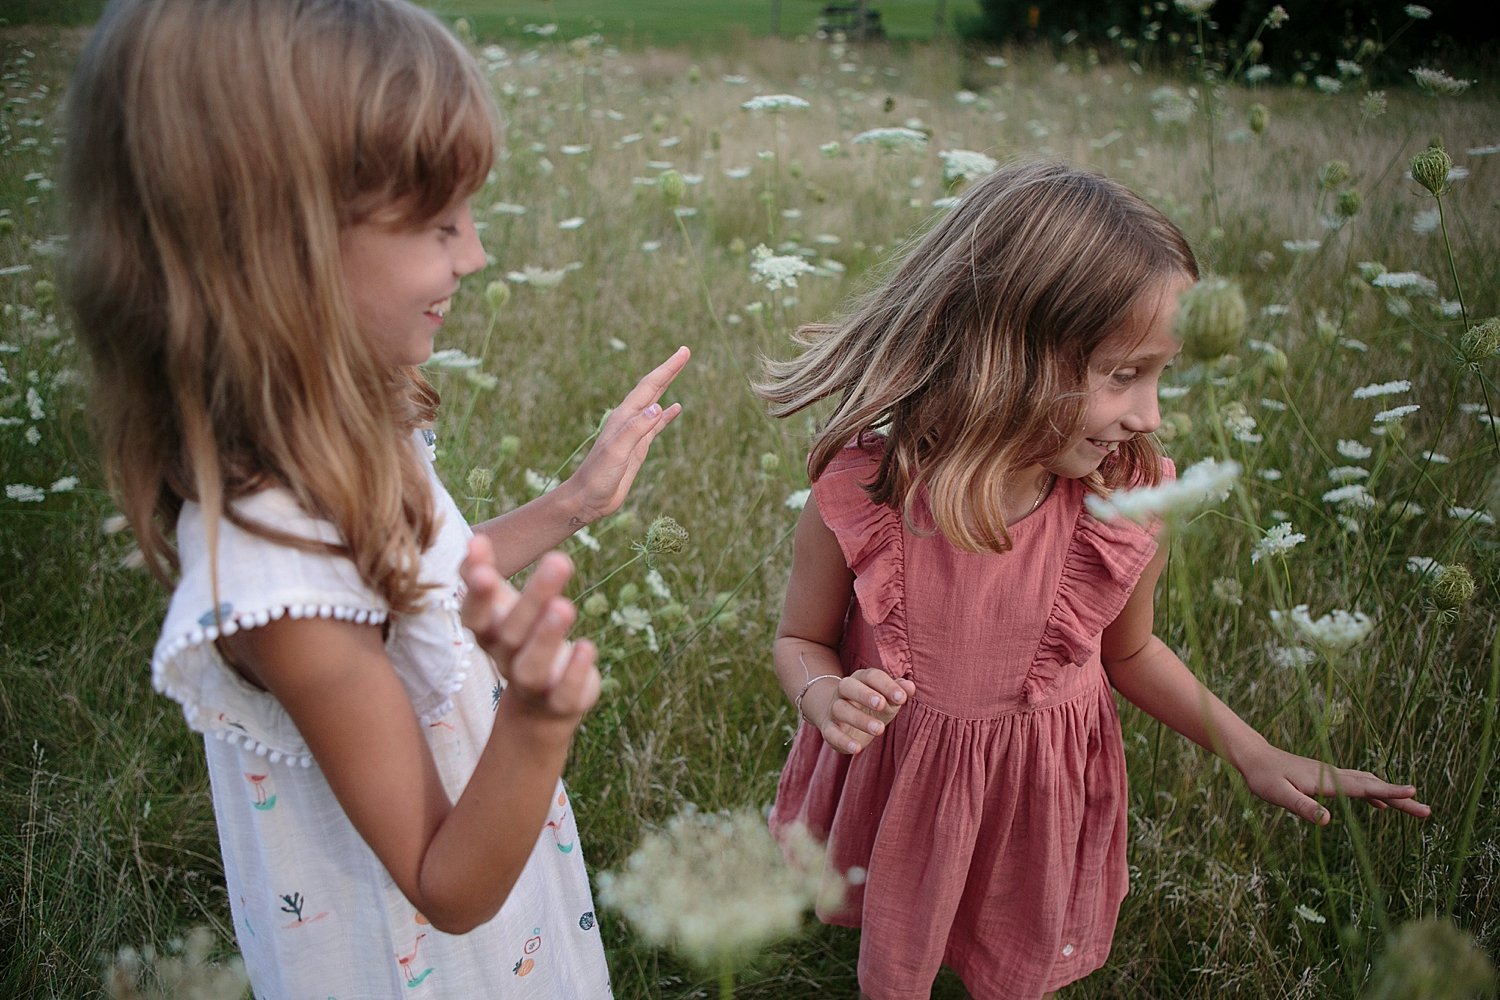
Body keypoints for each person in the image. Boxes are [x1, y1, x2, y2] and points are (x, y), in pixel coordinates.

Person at [62, 0, 688, 994]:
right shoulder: (274, 567)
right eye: (439, 222)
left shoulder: (342, 420)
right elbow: (444, 881)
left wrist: (573, 500)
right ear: (274, 241)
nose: (474, 255)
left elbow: (411, 597)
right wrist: (535, 718)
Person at [757, 160, 1428, 1000]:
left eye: (1160, 376)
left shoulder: (1125, 497)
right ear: (1004, 352)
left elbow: (1131, 653)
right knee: (901, 957)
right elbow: (801, 639)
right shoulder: (868, 490)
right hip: (903, 793)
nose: (1149, 414)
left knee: (1007, 962)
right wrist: (823, 697)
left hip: (1035, 802)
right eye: (1122, 376)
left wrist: (1254, 753)